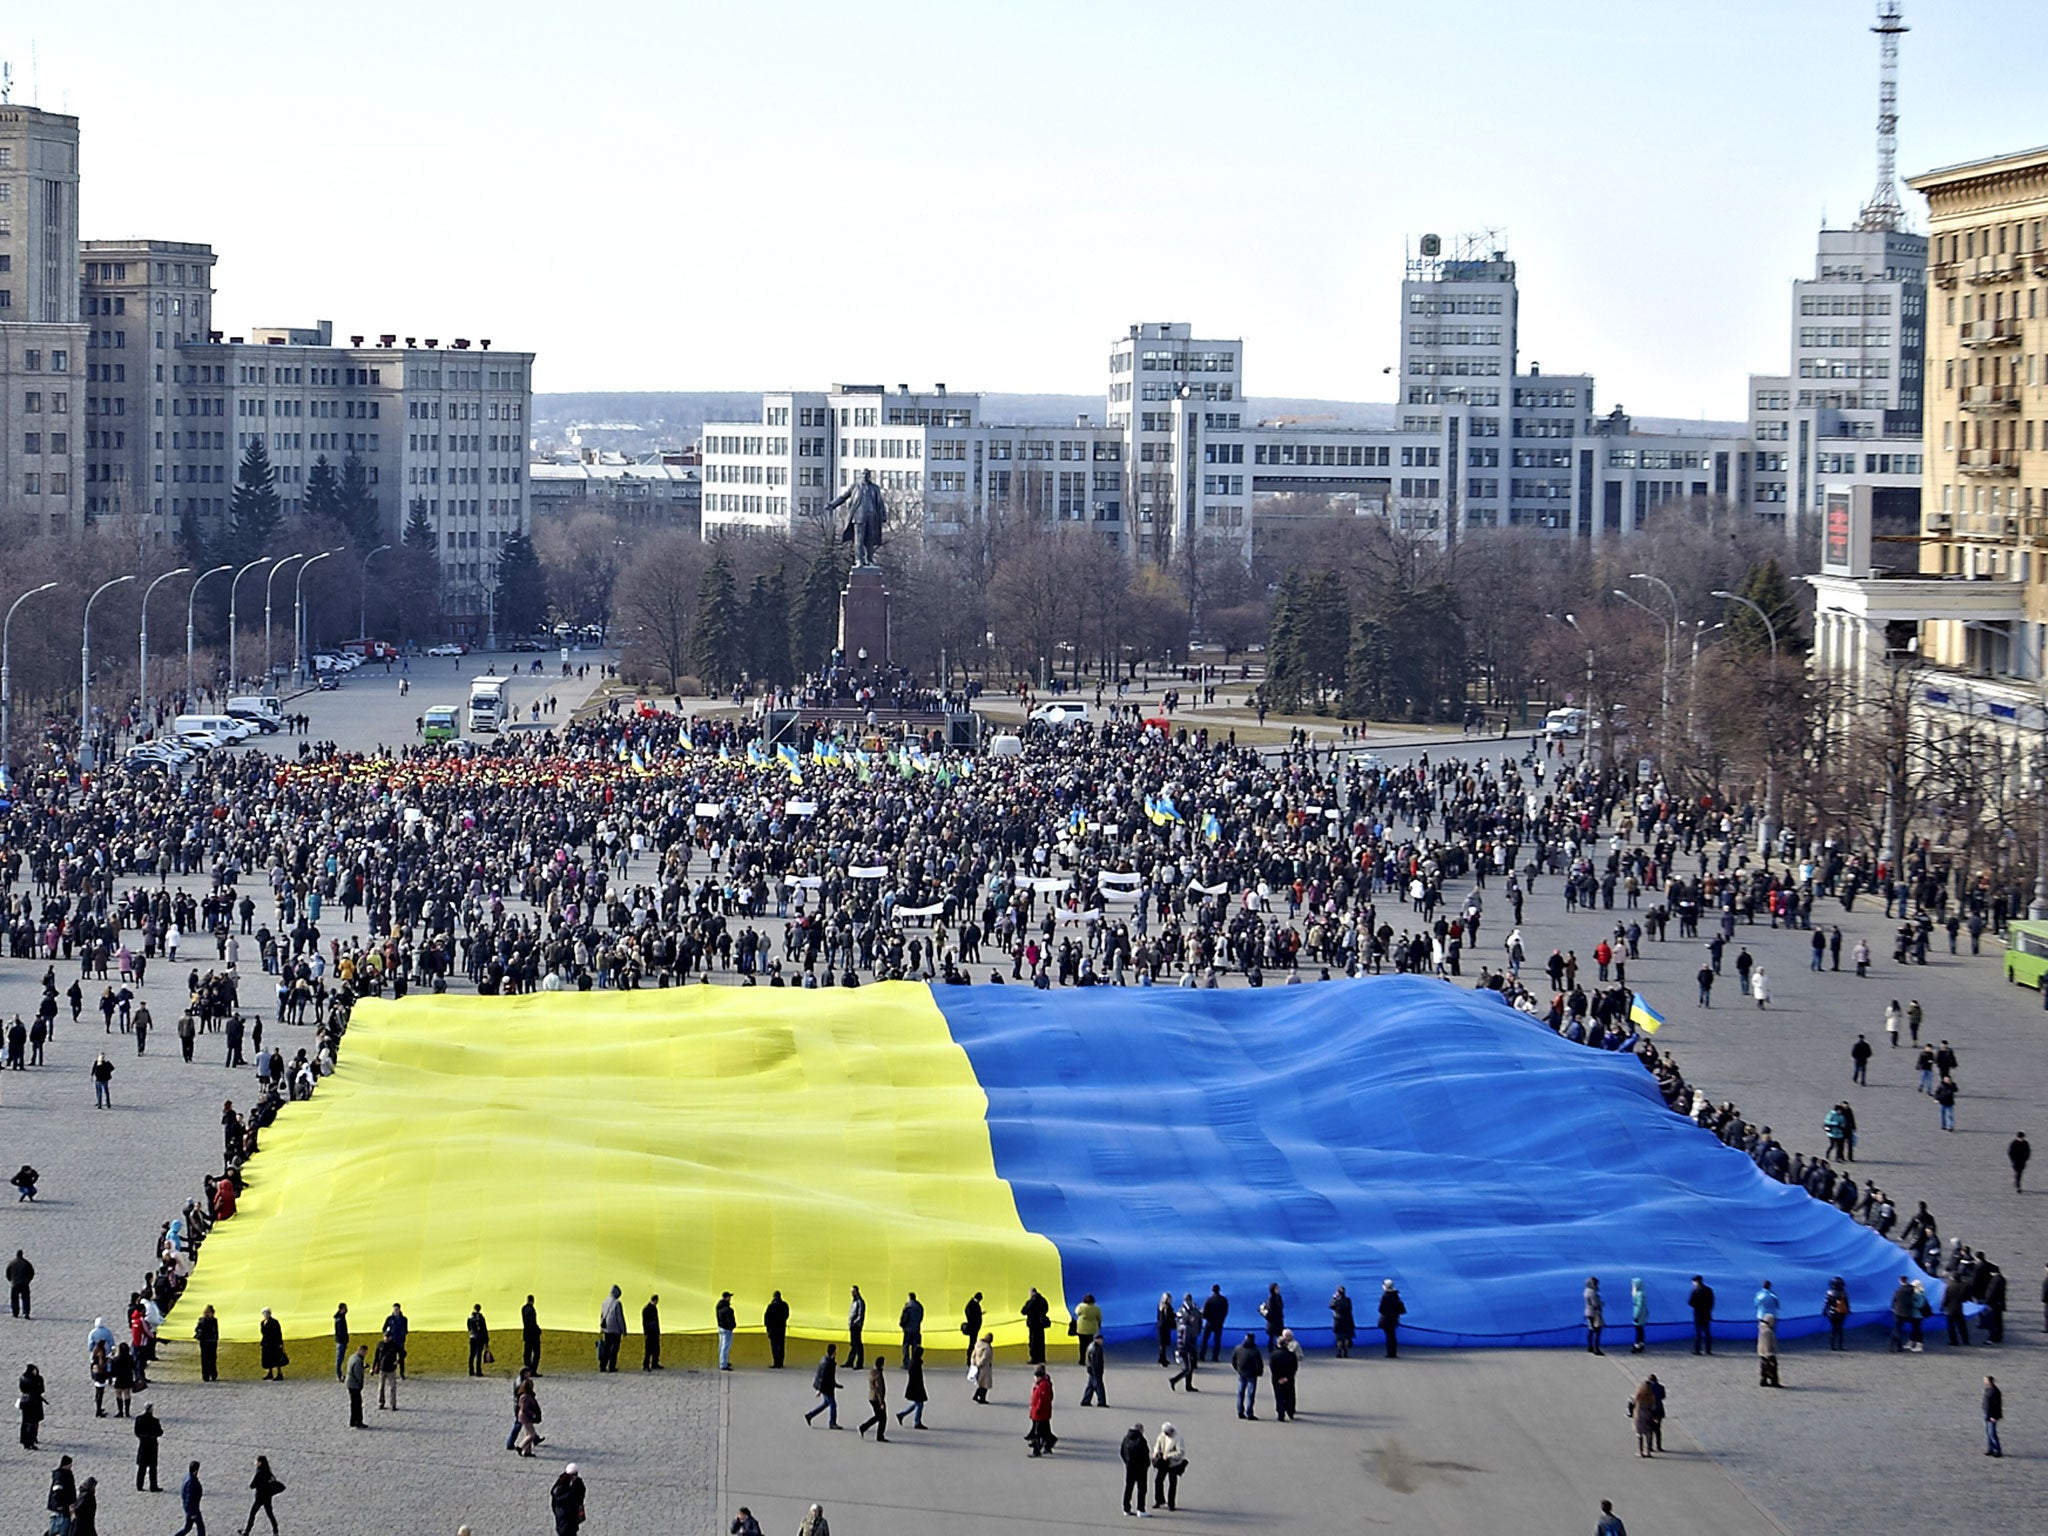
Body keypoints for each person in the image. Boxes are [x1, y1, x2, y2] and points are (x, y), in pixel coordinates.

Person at [1151, 1421, 1187, 1512]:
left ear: (1171, 1430)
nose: (1166, 1434)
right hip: (1163, 1463)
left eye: (1168, 1433)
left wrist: (1169, 1455)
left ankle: (1171, 1503)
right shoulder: (1162, 1435)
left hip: (1173, 1464)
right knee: (1158, 1481)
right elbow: (1157, 1445)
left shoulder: (1178, 1438)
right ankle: (1159, 1500)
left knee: (1172, 1483)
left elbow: (1180, 1452)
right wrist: (1156, 1452)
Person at [242, 1455, 283, 1536]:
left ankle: (247, 1531)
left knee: (252, 1514)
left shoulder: (259, 1472)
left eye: (257, 1462)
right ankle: (275, 1531)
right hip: (268, 1496)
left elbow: (252, 1485)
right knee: (270, 1514)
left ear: (260, 1462)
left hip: (260, 1497)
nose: (256, 1463)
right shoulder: (268, 1471)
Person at [803, 1343, 839, 1428]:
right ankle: (832, 1423)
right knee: (833, 1405)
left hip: (827, 1386)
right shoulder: (828, 1362)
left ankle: (810, 1415)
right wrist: (820, 1390)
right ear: (834, 1352)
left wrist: (835, 1384)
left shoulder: (826, 1359)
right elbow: (823, 1377)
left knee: (826, 1403)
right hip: (826, 1387)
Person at [1119, 1421, 1151, 1516]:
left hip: (1130, 1467)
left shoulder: (1126, 1439)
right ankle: (1140, 1509)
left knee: (1128, 1487)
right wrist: (1147, 1465)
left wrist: (1127, 1462)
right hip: (1141, 1469)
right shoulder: (1141, 1440)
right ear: (1141, 1430)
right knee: (1142, 1489)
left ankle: (1126, 1508)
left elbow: (1122, 1452)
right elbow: (1145, 1454)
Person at [1231, 1332, 1264, 1419]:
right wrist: (1259, 1373)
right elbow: (1258, 1364)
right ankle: (1249, 1413)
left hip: (1241, 1373)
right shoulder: (1255, 1351)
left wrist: (1238, 1369)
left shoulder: (1238, 1348)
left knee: (1240, 1393)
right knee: (1250, 1394)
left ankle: (1240, 1411)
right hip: (1252, 1374)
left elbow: (1233, 1361)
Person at [1026, 1364, 1057, 1456]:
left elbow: (1042, 1400)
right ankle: (1048, 1444)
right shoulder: (1040, 1384)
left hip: (1040, 1413)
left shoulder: (1043, 1386)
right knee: (1044, 1431)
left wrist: (1037, 1409)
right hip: (1040, 1413)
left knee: (1038, 1432)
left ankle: (1037, 1450)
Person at [1269, 1329, 1300, 1421]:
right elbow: (1294, 1368)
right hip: (1289, 1379)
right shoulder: (1291, 1355)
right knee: (1290, 1395)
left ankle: (1281, 1414)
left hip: (1277, 1379)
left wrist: (1278, 1378)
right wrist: (1287, 1378)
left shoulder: (1273, 1355)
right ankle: (1290, 1412)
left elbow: (1273, 1369)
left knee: (1279, 1396)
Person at [1755, 1279, 1781, 1387]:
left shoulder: (1759, 1295)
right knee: (1770, 1336)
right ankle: (1773, 1380)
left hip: (1761, 1316)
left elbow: (1756, 1304)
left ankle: (1764, 1378)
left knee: (1762, 1336)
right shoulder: (1773, 1295)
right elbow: (1778, 1305)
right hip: (1772, 1315)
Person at [895, 1346, 928, 1429]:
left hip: (914, 1386)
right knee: (919, 1404)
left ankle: (902, 1414)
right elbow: (916, 1377)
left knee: (917, 1404)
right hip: (916, 1387)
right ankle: (917, 1422)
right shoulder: (916, 1363)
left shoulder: (913, 1362)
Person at [857, 1355, 889, 1441]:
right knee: (882, 1418)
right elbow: (879, 1389)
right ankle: (877, 1435)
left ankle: (864, 1428)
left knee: (879, 1417)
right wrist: (881, 1402)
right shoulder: (878, 1374)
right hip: (876, 1399)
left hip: (871, 1397)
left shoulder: (872, 1372)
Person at [549, 1465, 585, 1536]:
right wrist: (578, 1482)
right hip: (570, 1521)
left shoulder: (557, 1491)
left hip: (561, 1520)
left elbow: (553, 1504)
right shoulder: (571, 1493)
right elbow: (579, 1497)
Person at [135, 1402, 164, 1488]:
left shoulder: (139, 1419)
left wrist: (142, 1437)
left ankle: (139, 1485)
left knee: (141, 1467)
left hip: (143, 1445)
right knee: (153, 1467)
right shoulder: (155, 1421)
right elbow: (160, 1432)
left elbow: (136, 1432)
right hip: (152, 1445)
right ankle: (153, 1485)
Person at [1021, 1286, 1050, 1366]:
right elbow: (1046, 1308)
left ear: (1031, 1293)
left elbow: (1024, 1311)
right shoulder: (1043, 1300)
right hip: (1041, 1324)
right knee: (1041, 1340)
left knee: (1033, 1342)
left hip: (1033, 1323)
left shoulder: (1031, 1301)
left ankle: (1034, 1358)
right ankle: (1042, 1357)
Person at [19, 1361, 45, 1447]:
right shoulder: (37, 1379)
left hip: (24, 1402)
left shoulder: (22, 1378)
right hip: (34, 1403)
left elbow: (22, 1389)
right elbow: (41, 1390)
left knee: (25, 1422)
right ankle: (31, 1439)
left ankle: (24, 1439)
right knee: (33, 1422)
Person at [174, 1462, 205, 1536]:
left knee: (187, 1528)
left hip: (190, 1509)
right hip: (193, 1509)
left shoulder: (188, 1477)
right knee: (200, 1527)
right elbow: (189, 1498)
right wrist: (193, 1513)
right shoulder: (192, 1482)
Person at [1686, 1275, 1715, 1355]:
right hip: (1707, 1314)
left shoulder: (1695, 1291)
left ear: (1696, 1281)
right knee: (1707, 1332)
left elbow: (1690, 1302)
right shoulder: (1709, 1290)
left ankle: (1697, 1350)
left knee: (1698, 1333)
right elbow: (1712, 1303)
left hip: (1698, 1313)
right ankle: (1708, 1350)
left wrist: (1697, 1306)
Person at [1630, 1378, 1658, 1457]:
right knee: (1648, 1434)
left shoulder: (1639, 1395)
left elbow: (1633, 1402)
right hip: (1648, 1415)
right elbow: (1653, 1407)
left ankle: (1641, 1451)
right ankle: (1648, 1451)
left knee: (1639, 1434)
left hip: (1639, 1416)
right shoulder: (1651, 1397)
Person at [1378, 1279, 1406, 1358]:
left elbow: (1381, 1309)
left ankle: (1390, 1353)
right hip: (1394, 1318)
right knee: (1392, 1335)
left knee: (1389, 1336)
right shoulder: (1396, 1295)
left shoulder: (1385, 1296)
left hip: (1386, 1318)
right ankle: (1393, 1352)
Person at [1080, 1331, 1108, 1407]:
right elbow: (1095, 1362)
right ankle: (1102, 1402)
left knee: (1091, 1386)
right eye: (1100, 1339)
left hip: (1091, 1370)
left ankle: (1086, 1400)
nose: (1102, 1341)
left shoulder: (1091, 1346)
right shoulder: (1096, 1349)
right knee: (1099, 1387)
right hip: (1095, 1371)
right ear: (1096, 1339)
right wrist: (1096, 1371)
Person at [258, 1309, 287, 1380]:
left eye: (267, 1314)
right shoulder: (262, 1322)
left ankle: (279, 1373)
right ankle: (270, 1373)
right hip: (266, 1343)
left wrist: (280, 1343)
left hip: (274, 1343)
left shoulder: (274, 1322)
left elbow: (278, 1333)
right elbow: (263, 1333)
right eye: (264, 1314)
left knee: (276, 1358)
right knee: (268, 1358)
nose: (265, 1315)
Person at [194, 1305, 220, 1382]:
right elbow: (197, 1329)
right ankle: (206, 1376)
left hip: (211, 1341)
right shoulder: (201, 1320)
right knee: (204, 1359)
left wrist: (215, 1339)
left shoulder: (214, 1320)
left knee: (212, 1359)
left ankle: (213, 1374)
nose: (207, 1314)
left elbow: (216, 1331)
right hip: (204, 1341)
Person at [1824, 1277, 1851, 1350]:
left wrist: (1824, 1311)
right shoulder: (1843, 1293)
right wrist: (1848, 1310)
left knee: (1833, 1330)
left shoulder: (1829, 1293)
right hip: (1842, 1314)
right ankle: (1840, 1346)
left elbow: (1826, 1304)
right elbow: (1847, 1304)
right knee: (1840, 1330)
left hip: (1832, 1314)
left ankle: (1832, 1346)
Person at [763, 1292, 788, 1369]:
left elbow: (766, 1318)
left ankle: (776, 1362)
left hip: (773, 1329)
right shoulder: (784, 1305)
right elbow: (786, 1315)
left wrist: (768, 1328)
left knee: (774, 1346)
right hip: (781, 1328)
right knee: (781, 1345)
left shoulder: (771, 1306)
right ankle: (781, 1362)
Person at [1329, 1286, 1355, 1358]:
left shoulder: (1336, 1301)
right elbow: (1350, 1308)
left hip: (1338, 1321)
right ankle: (1346, 1352)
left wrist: (1334, 1297)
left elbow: (1331, 1306)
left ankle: (1339, 1352)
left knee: (1339, 1338)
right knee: (1346, 1337)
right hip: (1347, 1321)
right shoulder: (1348, 1300)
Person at [344, 1345, 367, 1428]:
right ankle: (358, 1421)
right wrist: (360, 1384)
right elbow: (358, 1374)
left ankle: (352, 1421)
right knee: (357, 1403)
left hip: (349, 1383)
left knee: (353, 1403)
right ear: (362, 1351)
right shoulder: (358, 1361)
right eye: (365, 1352)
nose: (365, 1354)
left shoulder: (352, 1357)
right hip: (354, 1384)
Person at [970, 1332, 995, 1404]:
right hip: (985, 1367)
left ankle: (976, 1395)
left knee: (980, 1383)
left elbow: (973, 1354)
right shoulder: (987, 1347)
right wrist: (980, 1364)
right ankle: (982, 1398)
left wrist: (974, 1363)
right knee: (985, 1384)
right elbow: (985, 1357)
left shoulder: (978, 1344)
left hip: (977, 1366)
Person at [7, 1249, 33, 1316]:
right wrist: (28, 1280)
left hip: (15, 1284)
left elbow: (8, 1272)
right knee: (26, 1298)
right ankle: (26, 1312)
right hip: (24, 1284)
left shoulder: (12, 1263)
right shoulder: (26, 1263)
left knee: (14, 1299)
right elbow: (31, 1272)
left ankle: (15, 1312)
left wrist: (11, 1280)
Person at [467, 1305, 491, 1377]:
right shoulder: (481, 1318)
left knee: (472, 1354)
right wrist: (486, 1341)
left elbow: (469, 1328)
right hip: (480, 1338)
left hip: (472, 1337)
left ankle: (471, 1371)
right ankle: (478, 1371)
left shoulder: (470, 1318)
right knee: (478, 1355)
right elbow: (484, 1329)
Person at [1983, 1374, 2004, 1457]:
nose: (1984, 1382)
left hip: (1992, 1415)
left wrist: (1995, 1416)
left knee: (1992, 1433)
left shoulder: (1995, 1391)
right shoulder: (1988, 1389)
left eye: (1985, 1380)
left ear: (1989, 1381)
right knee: (1988, 1433)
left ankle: (1997, 1450)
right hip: (1986, 1413)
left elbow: (1997, 1405)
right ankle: (1990, 1449)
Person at [1583, 1276, 1605, 1355]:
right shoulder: (1592, 1292)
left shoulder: (1586, 1291)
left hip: (1588, 1312)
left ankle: (1590, 1346)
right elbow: (1595, 1303)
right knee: (1597, 1330)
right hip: (1594, 1313)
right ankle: (1596, 1349)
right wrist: (1600, 1304)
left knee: (1591, 1329)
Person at [846, 1286, 866, 1369]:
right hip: (852, 1325)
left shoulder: (859, 1302)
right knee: (853, 1344)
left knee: (857, 1344)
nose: (852, 1293)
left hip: (856, 1326)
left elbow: (860, 1315)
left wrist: (855, 1323)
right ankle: (850, 1361)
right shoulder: (854, 1301)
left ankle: (859, 1363)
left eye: (853, 1291)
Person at [716, 1291, 736, 1371]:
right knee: (725, 1347)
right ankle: (723, 1364)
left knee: (721, 1346)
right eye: (729, 1297)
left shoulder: (718, 1306)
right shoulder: (728, 1309)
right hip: (727, 1329)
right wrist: (732, 1326)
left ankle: (722, 1361)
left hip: (721, 1327)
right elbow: (729, 1320)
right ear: (726, 1298)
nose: (730, 1298)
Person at [522, 1295, 542, 1375]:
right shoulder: (531, 1310)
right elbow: (532, 1322)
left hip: (526, 1333)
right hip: (533, 1334)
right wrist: (538, 1330)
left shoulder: (523, 1308)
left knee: (527, 1353)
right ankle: (533, 1370)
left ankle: (527, 1369)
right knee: (536, 1352)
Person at [1629, 1278, 1648, 1354]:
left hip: (1639, 1315)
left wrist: (1636, 1316)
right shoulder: (1641, 1293)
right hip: (1642, 1314)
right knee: (1640, 1330)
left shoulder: (1639, 1294)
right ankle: (1640, 1345)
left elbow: (1639, 1306)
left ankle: (1637, 1346)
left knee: (1638, 1330)